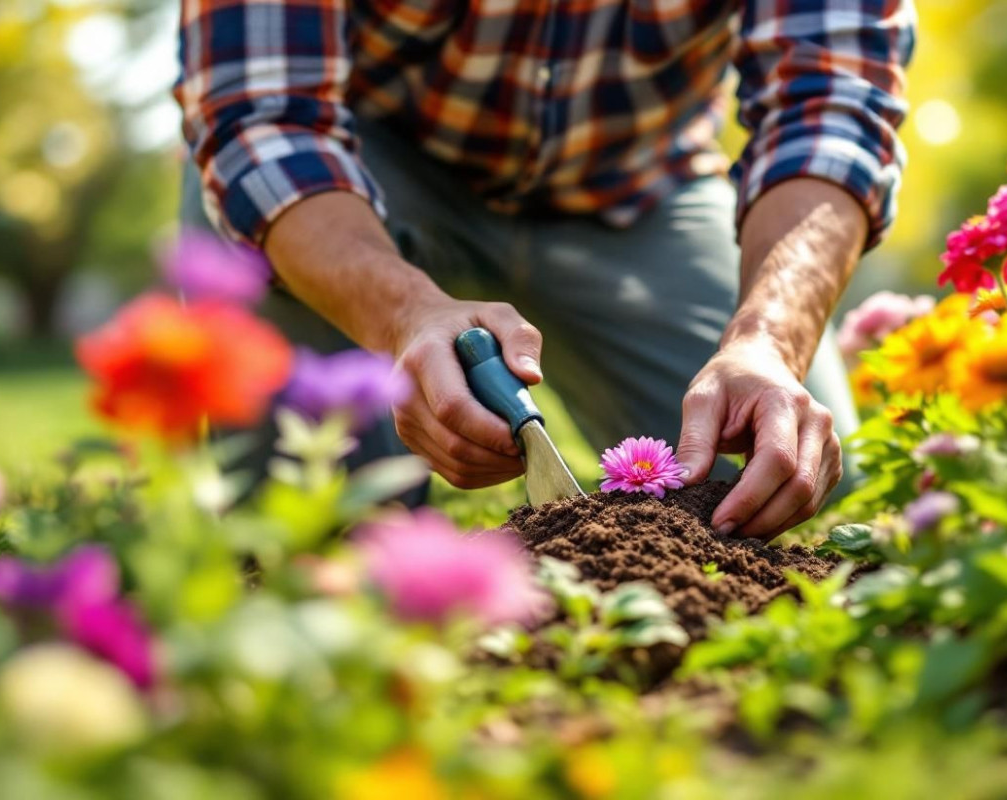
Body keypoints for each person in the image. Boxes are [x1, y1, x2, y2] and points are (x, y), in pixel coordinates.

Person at [174, 0, 915, 540]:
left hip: (636, 184)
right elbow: (263, 121)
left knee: (787, 482)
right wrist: (404, 313)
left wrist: (767, 342)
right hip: (366, 178)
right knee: (313, 532)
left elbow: (832, 105)